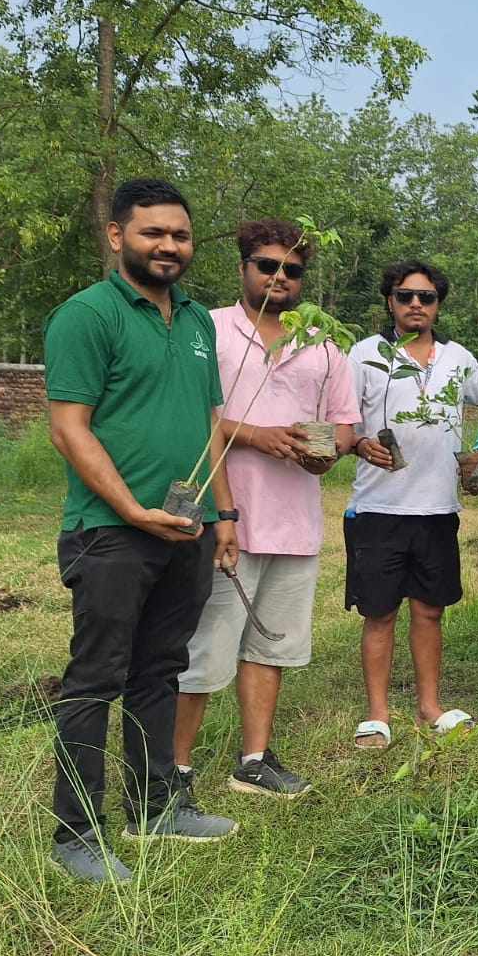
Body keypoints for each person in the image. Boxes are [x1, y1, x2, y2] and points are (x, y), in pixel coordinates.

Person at [44, 178, 239, 882]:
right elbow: (69, 430)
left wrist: (223, 515)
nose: (169, 246)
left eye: (180, 235)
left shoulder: (195, 322)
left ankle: (156, 806)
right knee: (95, 678)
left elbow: (211, 425)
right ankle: (77, 835)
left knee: (160, 669)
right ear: (117, 235)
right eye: (153, 232)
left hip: (186, 530)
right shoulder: (86, 316)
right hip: (112, 533)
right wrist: (130, 509)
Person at [173, 220, 360, 799]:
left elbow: (346, 425)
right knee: (203, 648)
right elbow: (185, 413)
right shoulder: (207, 330)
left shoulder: (323, 345)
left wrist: (326, 453)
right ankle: (173, 771)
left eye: (293, 270)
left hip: (294, 520)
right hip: (219, 517)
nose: (279, 278)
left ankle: (253, 760)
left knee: (269, 644)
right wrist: (254, 435)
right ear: (243, 269)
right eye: (267, 266)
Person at [344, 260, 478, 749]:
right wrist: (356, 445)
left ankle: (429, 706)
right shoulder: (365, 354)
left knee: (430, 611)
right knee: (380, 614)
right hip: (378, 507)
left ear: (438, 304)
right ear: (390, 300)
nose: (417, 304)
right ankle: (377, 714)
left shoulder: (456, 357)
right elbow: (342, 421)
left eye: (427, 297)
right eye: (406, 295)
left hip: (438, 508)